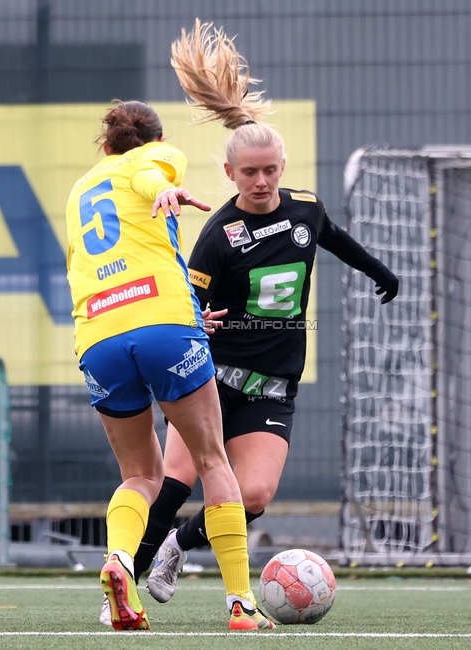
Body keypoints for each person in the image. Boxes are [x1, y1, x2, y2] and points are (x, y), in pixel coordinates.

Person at [114, 21, 399, 611]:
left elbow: (337, 240)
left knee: (256, 495)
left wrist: (380, 272)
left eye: (271, 170)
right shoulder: (219, 235)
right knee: (173, 485)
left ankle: (178, 546)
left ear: (283, 166)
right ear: (229, 175)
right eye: (250, 173)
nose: (263, 180)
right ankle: (120, 595)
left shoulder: (307, 209)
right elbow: (184, 298)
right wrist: (200, 324)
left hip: (273, 386)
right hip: (211, 380)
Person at [66, 99, 274, 631]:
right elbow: (147, 174)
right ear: (155, 139)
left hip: (98, 337)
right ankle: (241, 605)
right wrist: (162, 186)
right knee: (212, 462)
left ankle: (119, 562)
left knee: (139, 474)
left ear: (105, 143)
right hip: (162, 325)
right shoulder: (157, 159)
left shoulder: (79, 191)